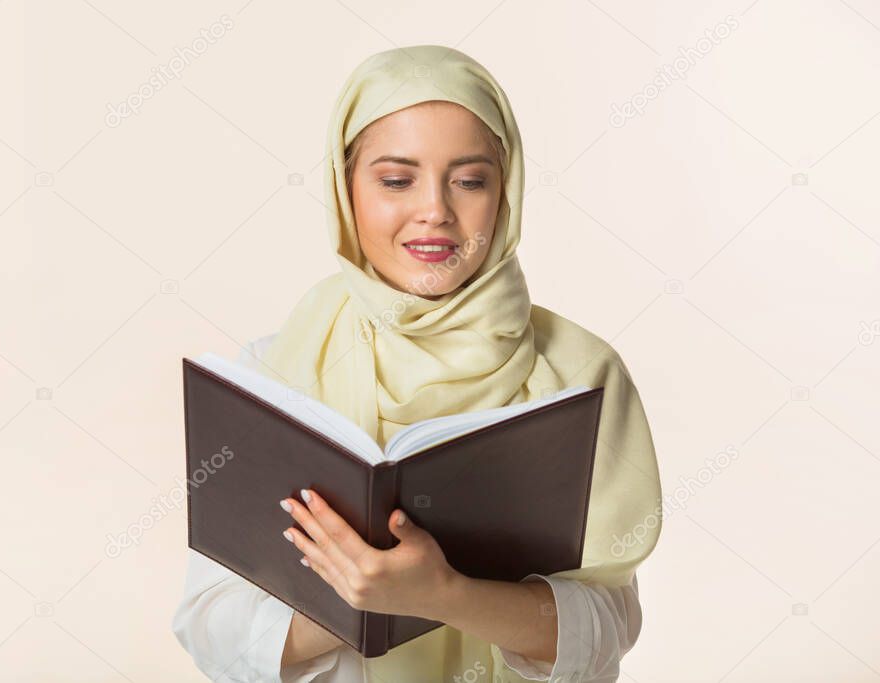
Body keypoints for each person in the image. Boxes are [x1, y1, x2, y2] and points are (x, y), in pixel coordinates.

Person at [173, 44, 662, 682]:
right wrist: (363, 595)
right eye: (397, 179)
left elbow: (605, 636)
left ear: (505, 192)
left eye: (470, 179)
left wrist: (443, 595)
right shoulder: (277, 372)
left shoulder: (579, 377)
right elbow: (210, 628)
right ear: (345, 190)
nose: (435, 209)